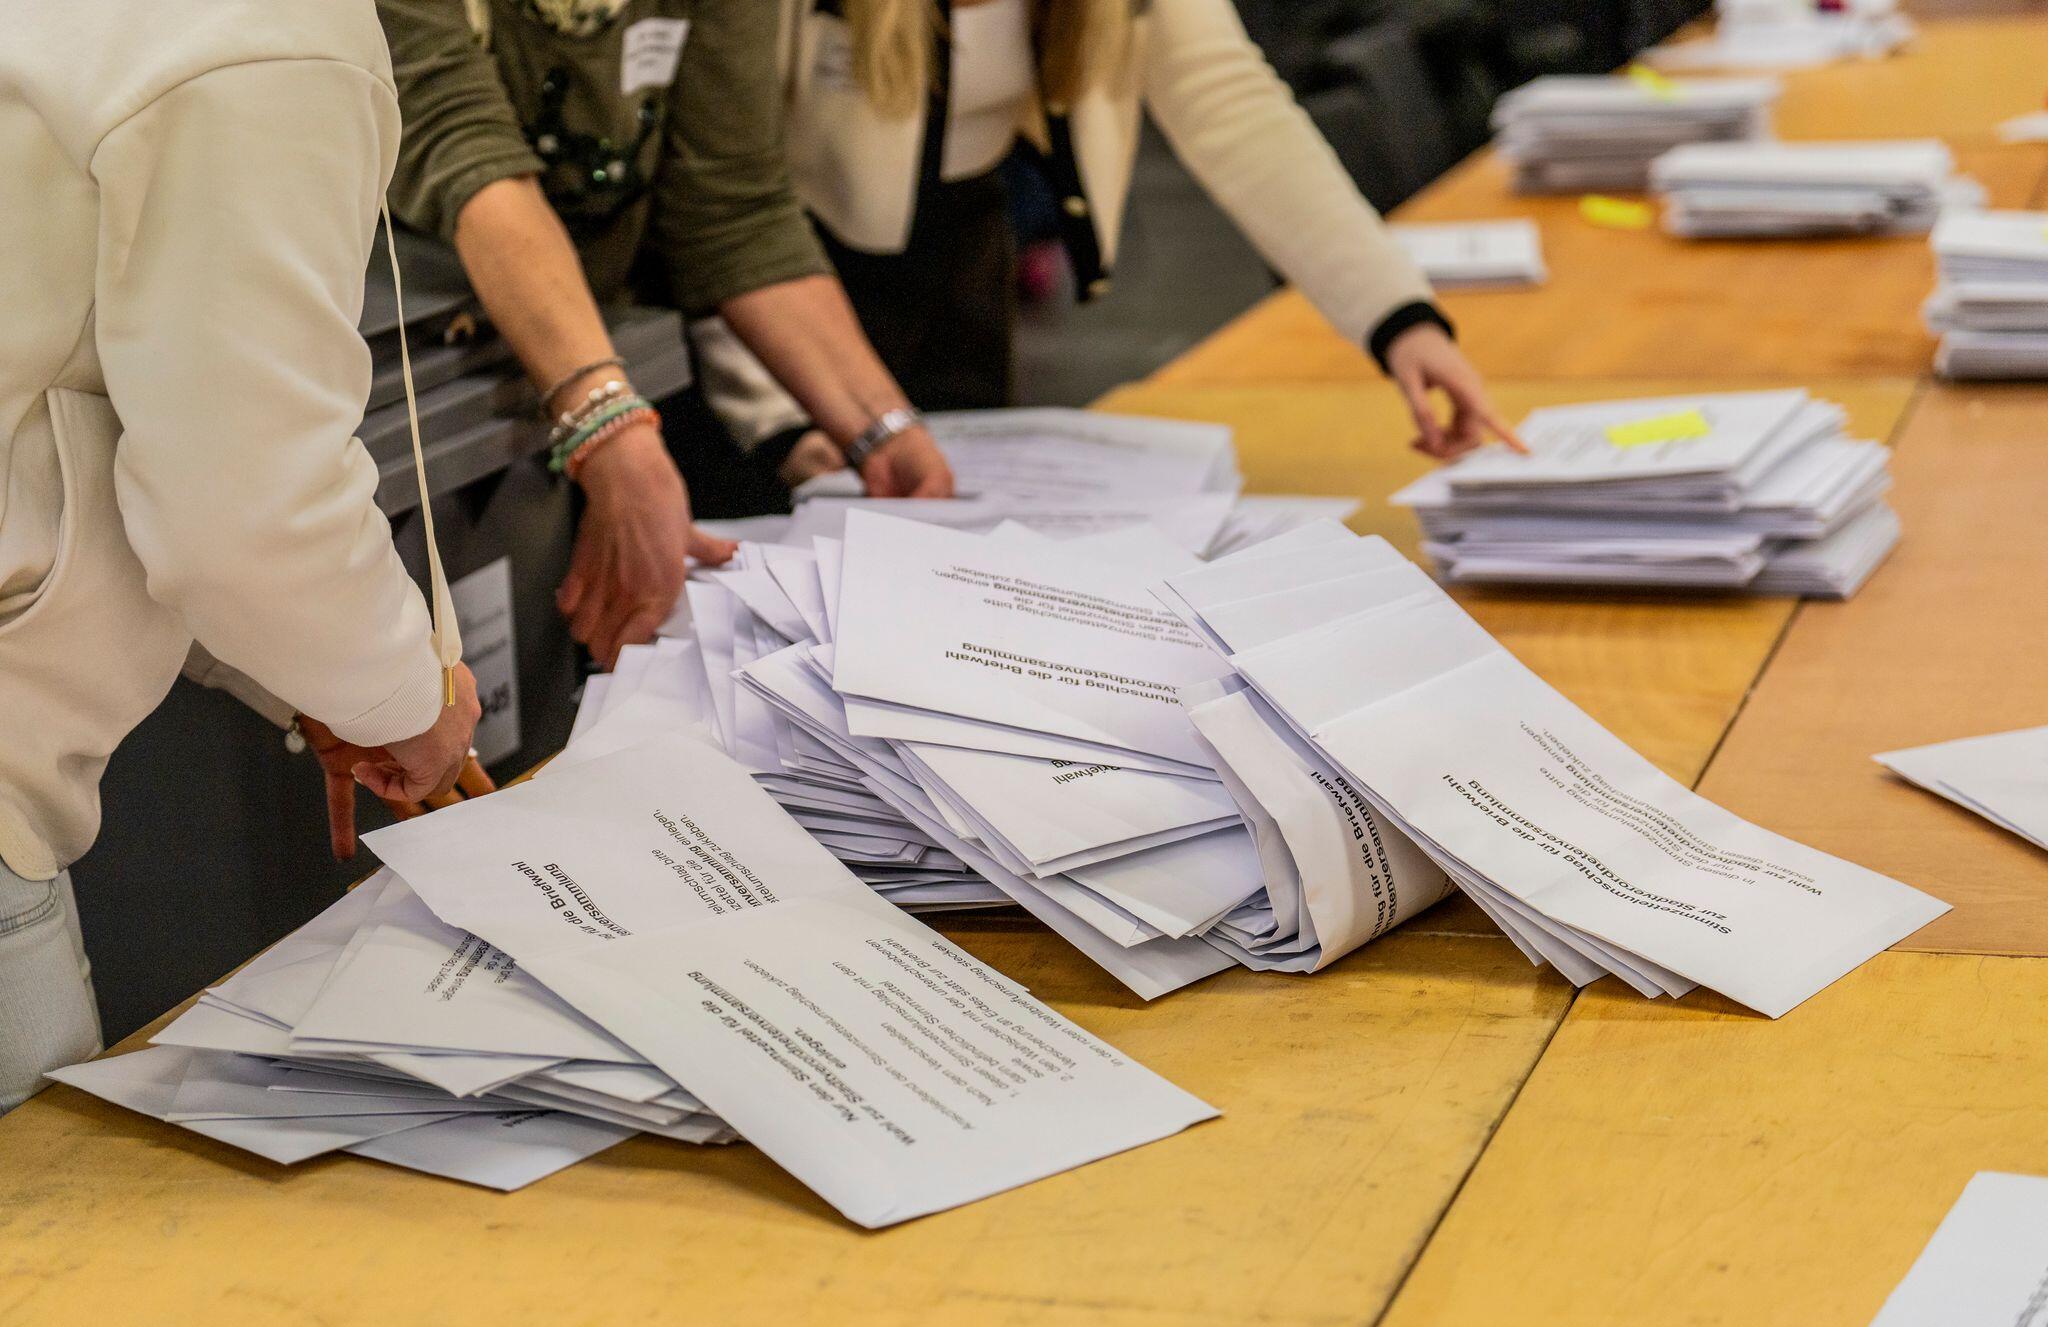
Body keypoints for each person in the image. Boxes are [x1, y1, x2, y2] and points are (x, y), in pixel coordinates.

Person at [1, 0, 484, 1111]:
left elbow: (73, 382)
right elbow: (251, 514)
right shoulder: (272, 27)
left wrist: (311, 669)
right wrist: (401, 697)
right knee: (42, 1210)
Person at [696, 0, 1524, 478]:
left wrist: (1398, 317)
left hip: (961, 265)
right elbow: (727, 203)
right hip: (778, 300)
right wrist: (777, 422)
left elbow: (1229, 101)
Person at [377, 0, 959, 668]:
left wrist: (882, 429)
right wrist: (610, 431)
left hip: (577, 363)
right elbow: (464, 153)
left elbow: (734, 203)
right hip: (400, 378)